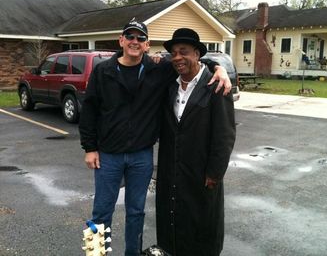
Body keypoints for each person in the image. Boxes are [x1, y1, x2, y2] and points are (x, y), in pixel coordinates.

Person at [79, 19, 232, 256]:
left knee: (136, 213)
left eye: (140, 38)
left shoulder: (158, 69)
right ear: (121, 41)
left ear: (147, 44)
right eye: (129, 36)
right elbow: (88, 111)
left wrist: (218, 68)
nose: (134, 41)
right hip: (108, 155)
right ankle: (94, 253)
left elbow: (194, 60)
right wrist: (89, 147)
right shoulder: (103, 71)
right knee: (100, 213)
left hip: (141, 156)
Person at [156, 28, 236, 256]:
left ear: (197, 55)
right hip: (172, 169)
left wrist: (215, 173)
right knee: (174, 221)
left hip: (202, 173)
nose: (177, 57)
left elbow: (225, 134)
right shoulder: (170, 85)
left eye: (184, 52)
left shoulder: (215, 86)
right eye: (174, 53)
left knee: (202, 226)